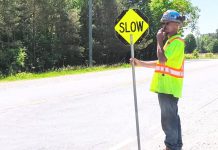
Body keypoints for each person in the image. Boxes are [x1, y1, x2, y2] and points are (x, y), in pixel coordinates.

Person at [130, 10, 186, 150]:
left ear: (177, 24)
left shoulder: (177, 43)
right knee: (172, 117)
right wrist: (140, 62)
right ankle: (176, 145)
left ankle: (171, 146)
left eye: (167, 23)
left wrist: (158, 41)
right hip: (167, 87)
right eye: (164, 23)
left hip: (169, 88)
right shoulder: (170, 42)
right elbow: (160, 63)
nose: (164, 26)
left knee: (168, 119)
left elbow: (162, 59)